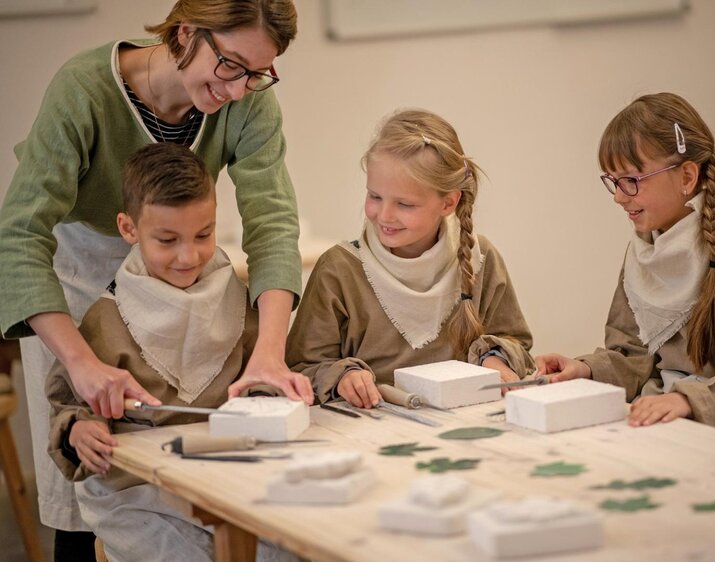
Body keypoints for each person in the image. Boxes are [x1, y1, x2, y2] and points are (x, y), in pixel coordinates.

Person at [0, 0, 312, 551]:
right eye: (232, 66)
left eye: (258, 74)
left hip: (181, 286)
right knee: (89, 481)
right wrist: (81, 362)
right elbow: (19, 234)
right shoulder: (84, 89)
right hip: (78, 279)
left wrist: (269, 351)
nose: (239, 90)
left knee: (193, 486)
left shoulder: (247, 99)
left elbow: (272, 223)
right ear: (186, 32)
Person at [46, 143, 295, 562]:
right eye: (167, 240)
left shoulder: (242, 304)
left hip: (227, 479)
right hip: (137, 493)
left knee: (288, 551)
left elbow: (264, 382)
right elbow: (68, 404)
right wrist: (78, 430)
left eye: (204, 235)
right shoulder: (106, 320)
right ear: (129, 229)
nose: (189, 256)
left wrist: (267, 402)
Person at [535, 92, 715, 448]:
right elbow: (635, 357)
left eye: (632, 180)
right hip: (665, 422)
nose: (619, 197)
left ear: (687, 176)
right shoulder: (644, 252)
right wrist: (586, 369)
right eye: (613, 181)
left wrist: (684, 400)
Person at [286, 109, 534, 407]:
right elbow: (301, 368)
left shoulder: (481, 259)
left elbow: (516, 342)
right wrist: (341, 377)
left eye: (404, 204)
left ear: (448, 202)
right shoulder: (339, 269)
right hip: (368, 430)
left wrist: (495, 360)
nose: (385, 215)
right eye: (375, 196)